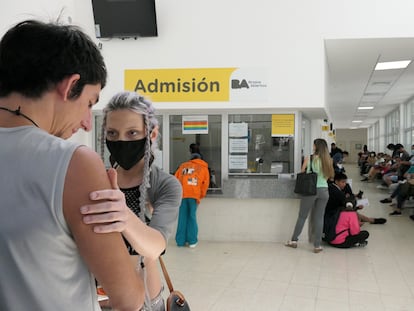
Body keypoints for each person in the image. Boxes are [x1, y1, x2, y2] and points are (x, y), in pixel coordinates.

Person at [0, 20, 144, 310]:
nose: (87, 124)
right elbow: (128, 298)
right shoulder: (73, 163)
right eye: (90, 103)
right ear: (70, 86)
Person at [81, 91, 182, 310]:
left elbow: (155, 246)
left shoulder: (164, 185)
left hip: (144, 300)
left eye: (132, 132)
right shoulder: (95, 181)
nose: (121, 141)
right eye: (113, 133)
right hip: (96, 299)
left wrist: (123, 214)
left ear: (152, 134)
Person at [285, 138, 334, 253]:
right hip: (324, 191)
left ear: (316, 146)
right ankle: (317, 245)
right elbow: (328, 176)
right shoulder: (328, 160)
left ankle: (294, 240)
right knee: (319, 217)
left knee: (302, 216)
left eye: (313, 145)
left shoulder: (310, 158)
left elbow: (302, 172)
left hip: (310, 191)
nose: (312, 146)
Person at [174, 152, 210, 247]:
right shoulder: (204, 168)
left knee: (182, 217)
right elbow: (205, 184)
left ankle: (180, 241)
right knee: (191, 217)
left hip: (182, 195)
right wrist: (200, 195)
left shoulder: (182, 166)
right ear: (200, 159)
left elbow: (175, 180)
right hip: (194, 195)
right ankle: (192, 241)